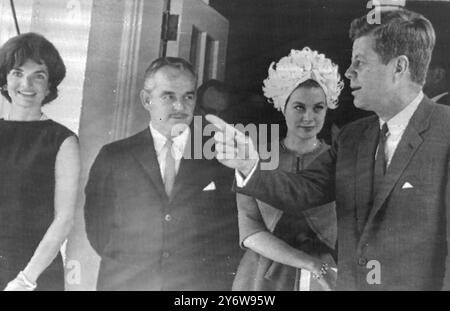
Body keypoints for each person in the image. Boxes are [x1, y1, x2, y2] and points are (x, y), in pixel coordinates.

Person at [207, 8, 450, 290]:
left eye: (360, 62)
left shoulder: (446, 131)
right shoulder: (353, 137)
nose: (349, 72)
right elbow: (303, 190)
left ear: (399, 67)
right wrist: (249, 165)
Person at [84, 57, 240, 291]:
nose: (180, 106)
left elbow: (231, 234)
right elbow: (98, 230)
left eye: (188, 96)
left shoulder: (220, 157)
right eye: (169, 96)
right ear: (147, 100)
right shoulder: (114, 157)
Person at [232, 48, 340, 291]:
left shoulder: (340, 159)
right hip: (262, 275)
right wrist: (309, 263)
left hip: (326, 277)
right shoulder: (255, 156)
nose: (309, 117)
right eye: (299, 107)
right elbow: (249, 229)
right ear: (283, 105)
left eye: (318, 108)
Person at [0, 33, 80, 291]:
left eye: (39, 75)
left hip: (35, 273)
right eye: (17, 72)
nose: (27, 83)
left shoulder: (63, 141)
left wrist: (25, 280)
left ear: (49, 87)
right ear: (5, 80)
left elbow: (64, 219)